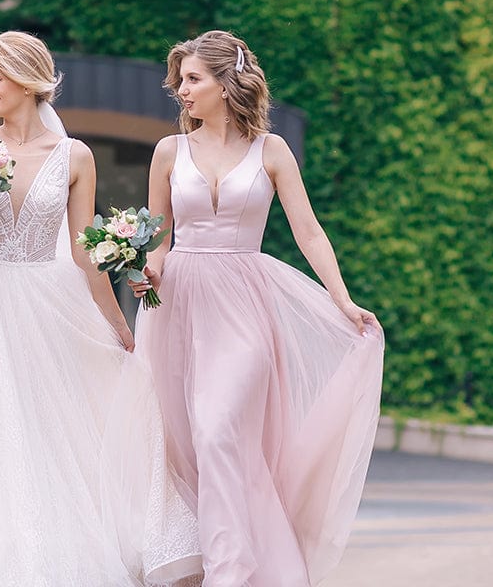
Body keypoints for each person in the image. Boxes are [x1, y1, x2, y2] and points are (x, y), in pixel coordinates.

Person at [0, 31, 201, 587]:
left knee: (55, 434)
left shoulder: (75, 156)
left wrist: (117, 324)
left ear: (25, 79)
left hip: (49, 300)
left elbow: (81, 250)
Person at [131, 30, 386, 587]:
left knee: (220, 428)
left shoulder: (271, 151)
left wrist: (343, 300)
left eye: (193, 79)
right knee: (194, 440)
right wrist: (147, 268)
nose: (181, 90)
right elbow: (158, 237)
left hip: (244, 302)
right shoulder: (168, 152)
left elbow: (309, 233)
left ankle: (231, 571)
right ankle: (232, 556)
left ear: (227, 82)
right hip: (178, 304)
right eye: (181, 80)